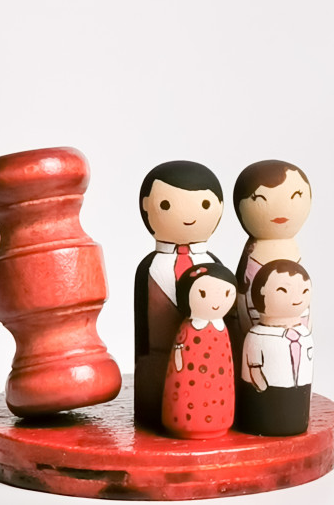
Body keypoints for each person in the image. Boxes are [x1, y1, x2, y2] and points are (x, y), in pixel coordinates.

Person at [134, 160, 225, 430]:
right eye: (166, 205)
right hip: (156, 359)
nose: (188, 216)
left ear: (219, 207)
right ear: (146, 206)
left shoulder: (213, 265)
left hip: (207, 364)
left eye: (204, 204)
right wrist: (142, 356)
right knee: (152, 409)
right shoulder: (148, 267)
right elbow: (140, 318)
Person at [232, 160, 312, 336]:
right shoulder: (253, 253)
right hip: (255, 335)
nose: (281, 208)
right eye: (260, 198)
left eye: (296, 195)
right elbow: (243, 298)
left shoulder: (291, 248)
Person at [237, 260, 313, 436]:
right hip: (267, 393)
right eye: (283, 290)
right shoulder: (257, 336)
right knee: (265, 418)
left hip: (299, 390)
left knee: (296, 415)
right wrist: (260, 384)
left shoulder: (304, 335)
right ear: (261, 292)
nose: (297, 298)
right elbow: (254, 365)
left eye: (304, 291)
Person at [162, 264, 237, 439]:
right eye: (202, 294)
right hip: (188, 380)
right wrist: (179, 364)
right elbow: (179, 353)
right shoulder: (188, 328)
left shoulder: (222, 329)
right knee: (189, 398)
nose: (216, 303)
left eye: (227, 294)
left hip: (220, 384)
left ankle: (218, 420)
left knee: (218, 396)